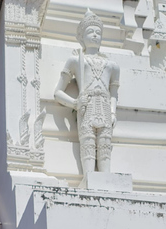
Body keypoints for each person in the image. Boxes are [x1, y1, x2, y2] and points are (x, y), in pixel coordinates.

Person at [54, 9, 120, 175]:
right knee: (88, 142)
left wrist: (113, 112)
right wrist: (75, 103)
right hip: (86, 105)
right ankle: (89, 178)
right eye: (90, 31)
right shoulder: (75, 61)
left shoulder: (112, 65)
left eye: (98, 32)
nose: (95, 35)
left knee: (105, 144)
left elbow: (113, 93)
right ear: (81, 37)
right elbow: (57, 93)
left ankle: (106, 178)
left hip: (104, 106)